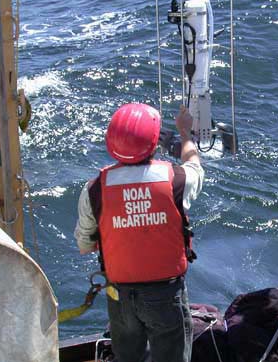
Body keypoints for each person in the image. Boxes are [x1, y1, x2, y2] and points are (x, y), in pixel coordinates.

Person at [74, 103, 204, 362]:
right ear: (155, 144)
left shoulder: (94, 189)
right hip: (166, 295)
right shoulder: (176, 180)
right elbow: (194, 165)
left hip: (119, 294)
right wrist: (185, 133)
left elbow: (85, 244)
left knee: (128, 356)